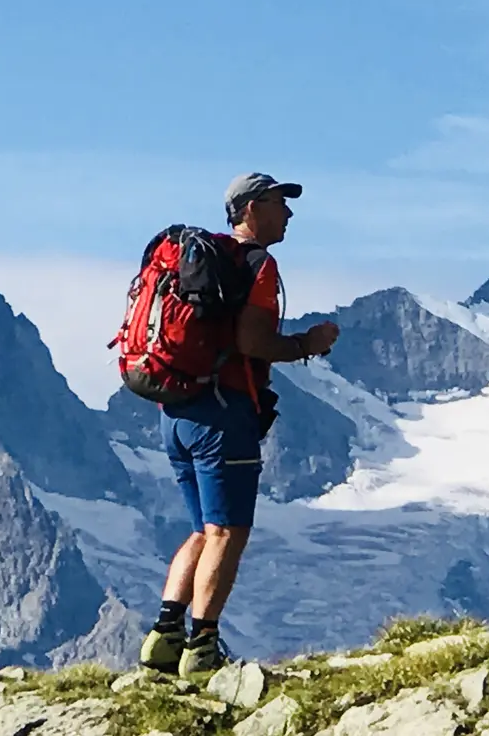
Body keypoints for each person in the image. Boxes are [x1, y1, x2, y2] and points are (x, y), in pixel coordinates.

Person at [139, 173, 341, 677]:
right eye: (279, 203)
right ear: (251, 209)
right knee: (228, 532)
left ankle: (164, 640)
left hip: (177, 412)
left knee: (201, 529)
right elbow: (253, 342)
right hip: (223, 413)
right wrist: (304, 345)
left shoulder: (201, 263)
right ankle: (202, 647)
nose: (289, 214)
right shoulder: (258, 265)